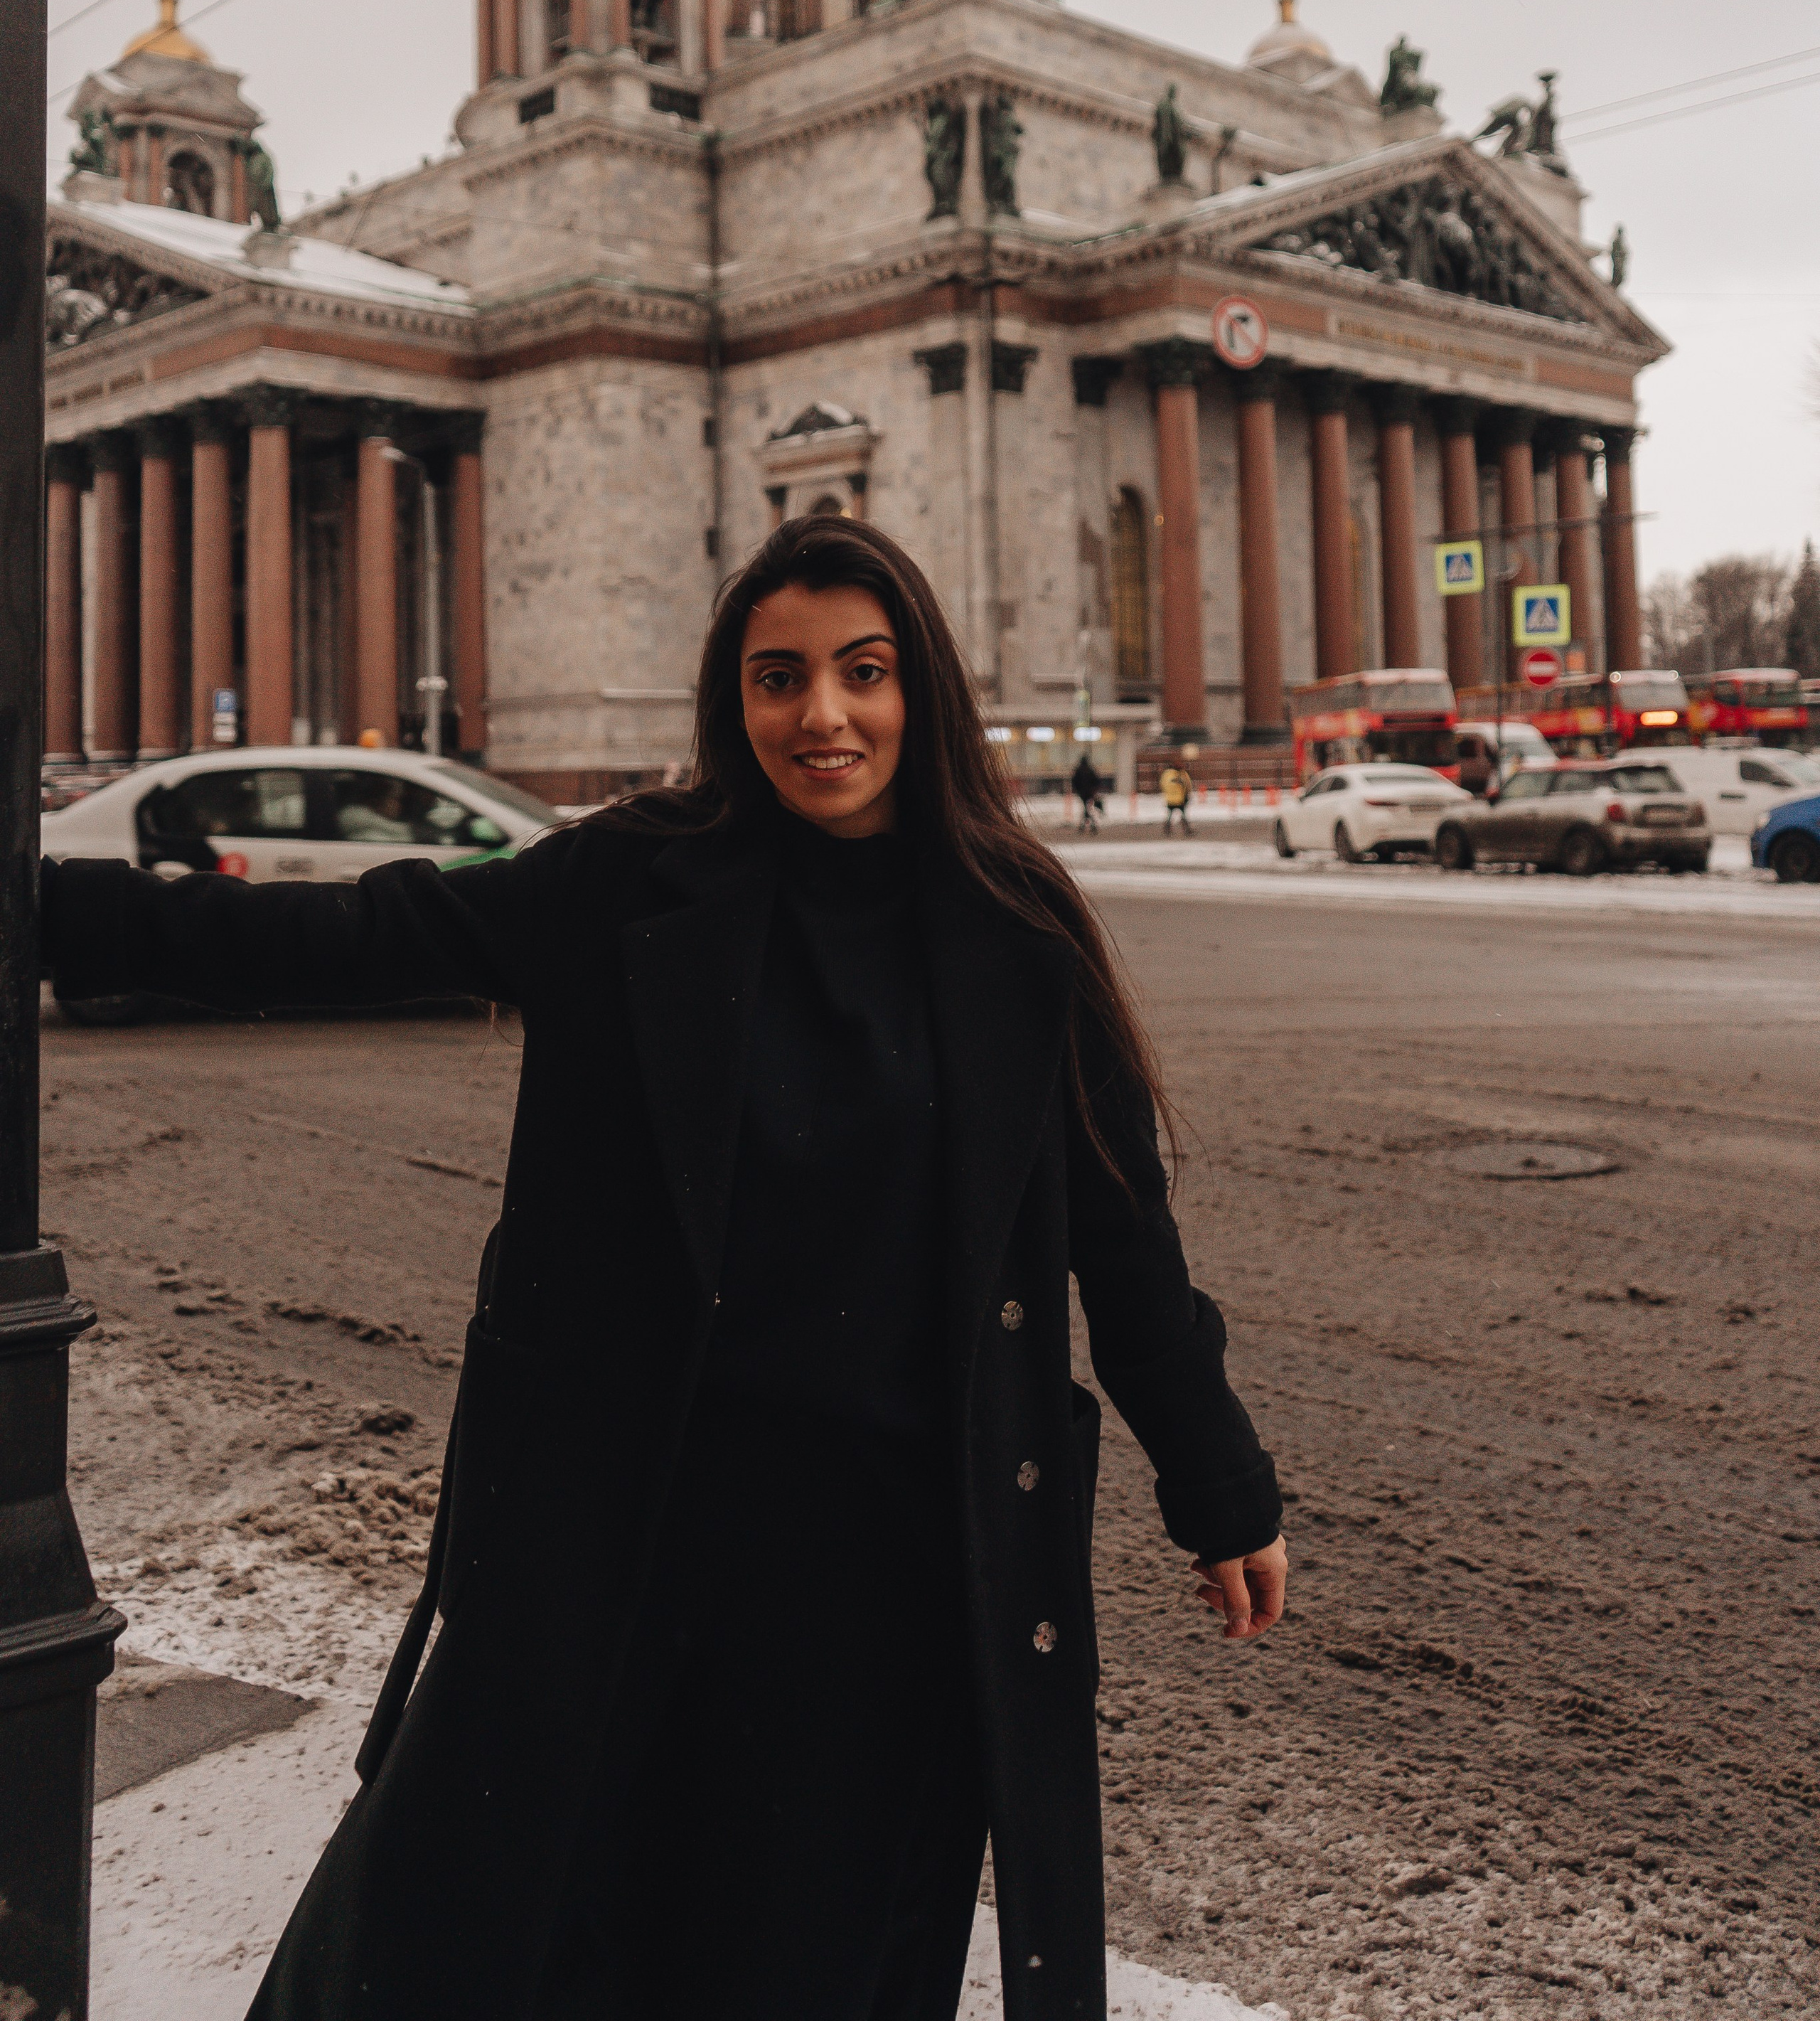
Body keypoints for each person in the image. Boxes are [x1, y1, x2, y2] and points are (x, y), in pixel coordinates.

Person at [41, 518, 1286, 2021]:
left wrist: (1216, 1489)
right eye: (779, 678)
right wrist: (39, 906)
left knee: (803, 1961)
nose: (820, 716)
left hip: (888, 1590)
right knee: (507, 1943)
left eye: (861, 673)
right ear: (732, 699)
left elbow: (1122, 1240)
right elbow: (349, 934)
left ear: (921, 692)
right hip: (624, 1548)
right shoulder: (633, 885)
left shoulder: (1019, 937)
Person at [1070, 743, 1104, 833]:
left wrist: (1077, 790)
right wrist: (1094, 790)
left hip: (1083, 793)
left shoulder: (1079, 770)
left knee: (1086, 809)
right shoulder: (1090, 770)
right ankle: (1092, 826)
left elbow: (1074, 781)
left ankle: (1086, 826)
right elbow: (1097, 780)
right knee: (1087, 809)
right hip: (1089, 793)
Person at [1159, 761, 1194, 837]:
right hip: (1180, 799)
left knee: (1170, 815)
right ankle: (1187, 829)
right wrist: (1187, 794)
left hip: (1170, 799)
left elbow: (1163, 785)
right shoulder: (1182, 774)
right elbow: (1188, 785)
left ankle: (1167, 829)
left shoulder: (1167, 774)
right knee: (1183, 814)